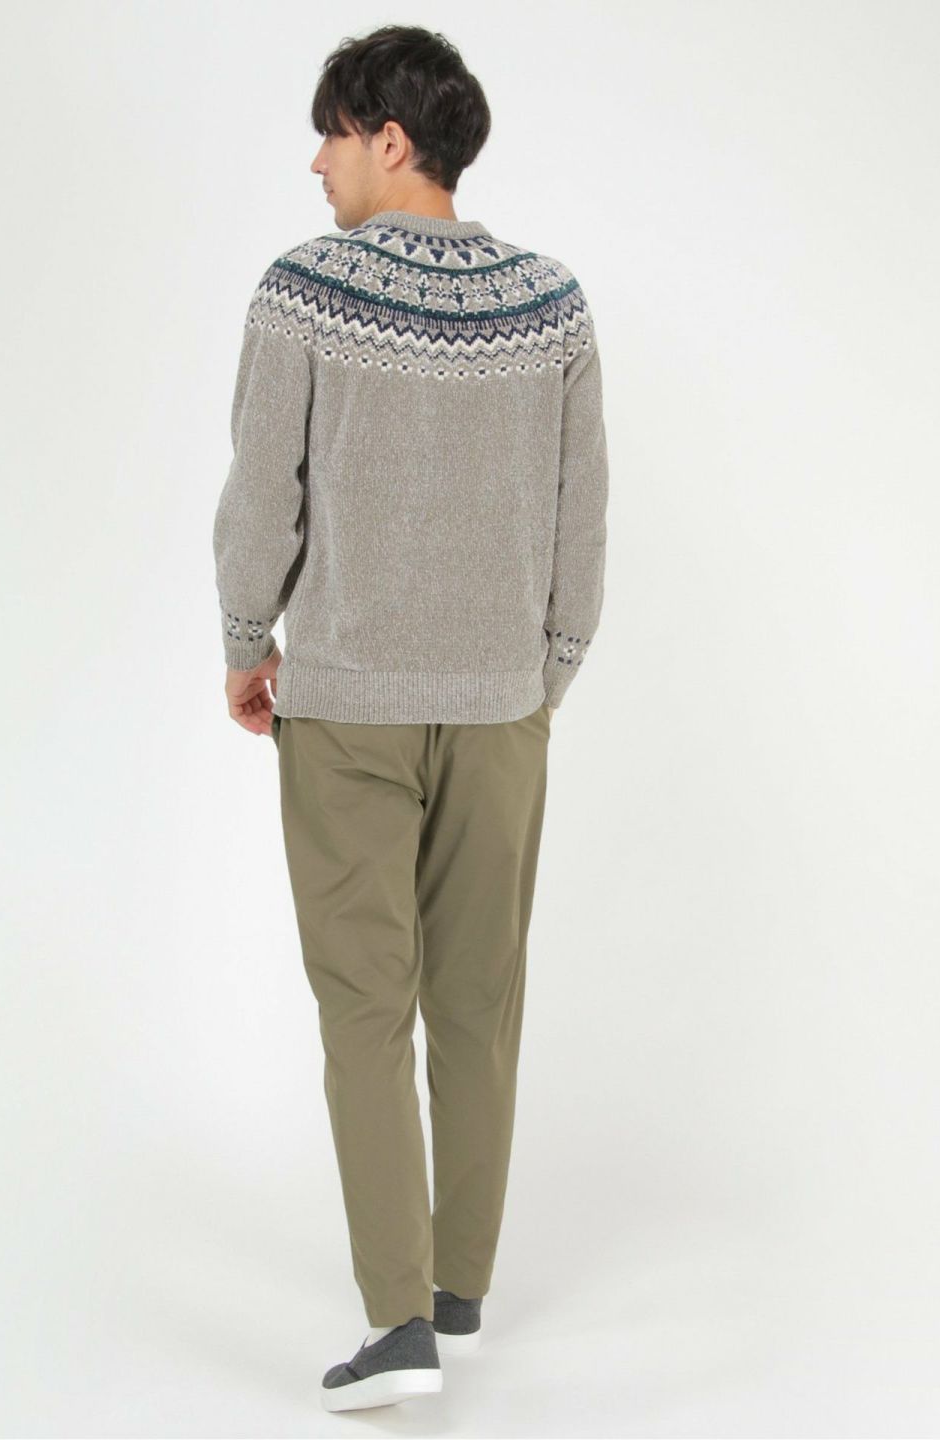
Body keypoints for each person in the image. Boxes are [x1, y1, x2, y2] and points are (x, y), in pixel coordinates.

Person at [211, 23, 609, 1413]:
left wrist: (246, 643)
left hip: (348, 711)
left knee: (366, 1008)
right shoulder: (553, 304)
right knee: (481, 1000)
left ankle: (396, 1330)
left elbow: (262, 495)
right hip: (503, 714)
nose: (317, 164)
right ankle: (458, 1288)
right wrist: (540, 677)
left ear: (391, 138)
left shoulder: (302, 293)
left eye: (331, 134)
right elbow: (582, 520)